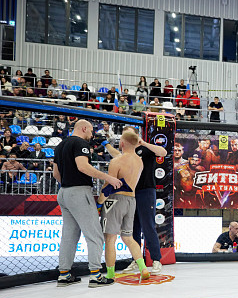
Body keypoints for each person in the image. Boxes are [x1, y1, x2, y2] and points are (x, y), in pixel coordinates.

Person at [53, 120, 123, 287]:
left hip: (64, 192)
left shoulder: (60, 145)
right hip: (79, 192)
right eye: (91, 131)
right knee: (95, 235)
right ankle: (95, 275)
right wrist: (108, 178)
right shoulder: (80, 143)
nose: (91, 135)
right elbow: (83, 167)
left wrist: (68, 185)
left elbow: (56, 173)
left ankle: (64, 274)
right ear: (84, 128)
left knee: (69, 236)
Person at [108, 127, 167, 274]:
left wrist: (144, 143)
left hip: (146, 191)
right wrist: (106, 145)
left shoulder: (145, 149)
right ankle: (137, 260)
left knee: (148, 225)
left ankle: (156, 260)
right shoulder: (125, 154)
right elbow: (116, 156)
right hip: (130, 193)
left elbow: (163, 152)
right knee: (132, 227)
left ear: (136, 135)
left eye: (129, 133)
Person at [98, 130, 150, 281]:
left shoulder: (117, 162)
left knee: (110, 238)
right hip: (131, 200)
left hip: (115, 200)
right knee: (128, 237)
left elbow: (109, 185)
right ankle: (143, 267)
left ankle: (110, 274)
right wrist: (107, 145)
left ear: (121, 143)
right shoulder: (139, 161)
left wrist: (100, 202)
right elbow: (122, 156)